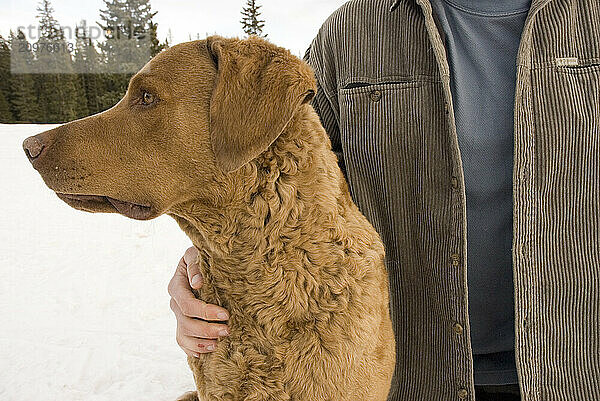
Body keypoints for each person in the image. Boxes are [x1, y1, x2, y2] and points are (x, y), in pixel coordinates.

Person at [168, 0, 600, 400]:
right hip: (406, 378)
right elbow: (270, 186)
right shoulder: (352, 34)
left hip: (580, 372)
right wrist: (206, 276)